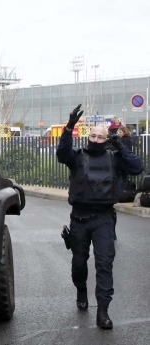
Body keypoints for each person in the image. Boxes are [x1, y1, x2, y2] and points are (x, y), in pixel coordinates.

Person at [56, 105, 144, 330]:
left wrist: (121, 148)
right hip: (80, 219)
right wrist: (68, 128)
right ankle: (81, 289)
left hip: (104, 218)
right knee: (79, 263)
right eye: (93, 135)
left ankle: (103, 310)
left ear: (107, 139)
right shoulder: (77, 157)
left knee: (105, 264)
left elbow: (137, 168)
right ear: (88, 137)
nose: (96, 140)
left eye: (101, 137)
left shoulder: (114, 157)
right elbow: (61, 154)